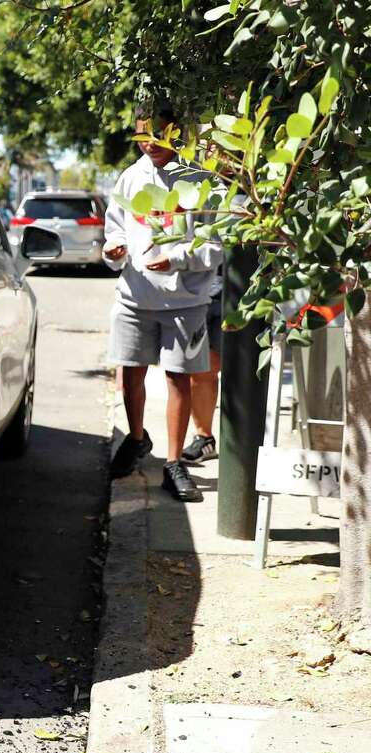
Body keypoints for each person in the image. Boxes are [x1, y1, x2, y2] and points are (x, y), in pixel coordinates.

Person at [104, 106, 223, 502]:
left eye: (157, 135)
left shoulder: (197, 179)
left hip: (185, 301)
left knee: (179, 378)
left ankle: (174, 464)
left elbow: (214, 245)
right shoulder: (130, 177)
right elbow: (114, 229)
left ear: (175, 132)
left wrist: (176, 258)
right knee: (130, 374)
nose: (149, 144)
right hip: (134, 297)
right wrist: (113, 250)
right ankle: (137, 439)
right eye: (142, 136)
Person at [180, 270, 224, 465]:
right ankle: (204, 437)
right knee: (202, 368)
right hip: (202, 287)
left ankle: (248, 440)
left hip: (245, 289)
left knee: (244, 369)